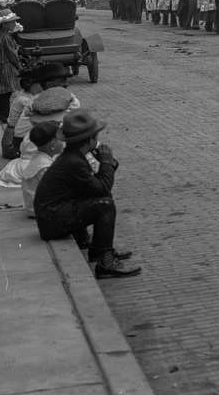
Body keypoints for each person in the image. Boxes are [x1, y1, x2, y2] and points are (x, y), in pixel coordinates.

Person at [33, 110, 141, 279]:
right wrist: (106, 163)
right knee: (105, 205)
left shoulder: (74, 157)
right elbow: (103, 188)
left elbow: (94, 187)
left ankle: (98, 249)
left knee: (99, 199)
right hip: (52, 220)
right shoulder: (73, 162)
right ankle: (106, 262)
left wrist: (107, 165)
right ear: (89, 140)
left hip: (52, 216)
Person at [20, 121, 62, 219]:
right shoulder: (45, 167)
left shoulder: (37, 158)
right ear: (53, 144)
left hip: (32, 207)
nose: (64, 141)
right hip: (40, 210)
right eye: (61, 139)